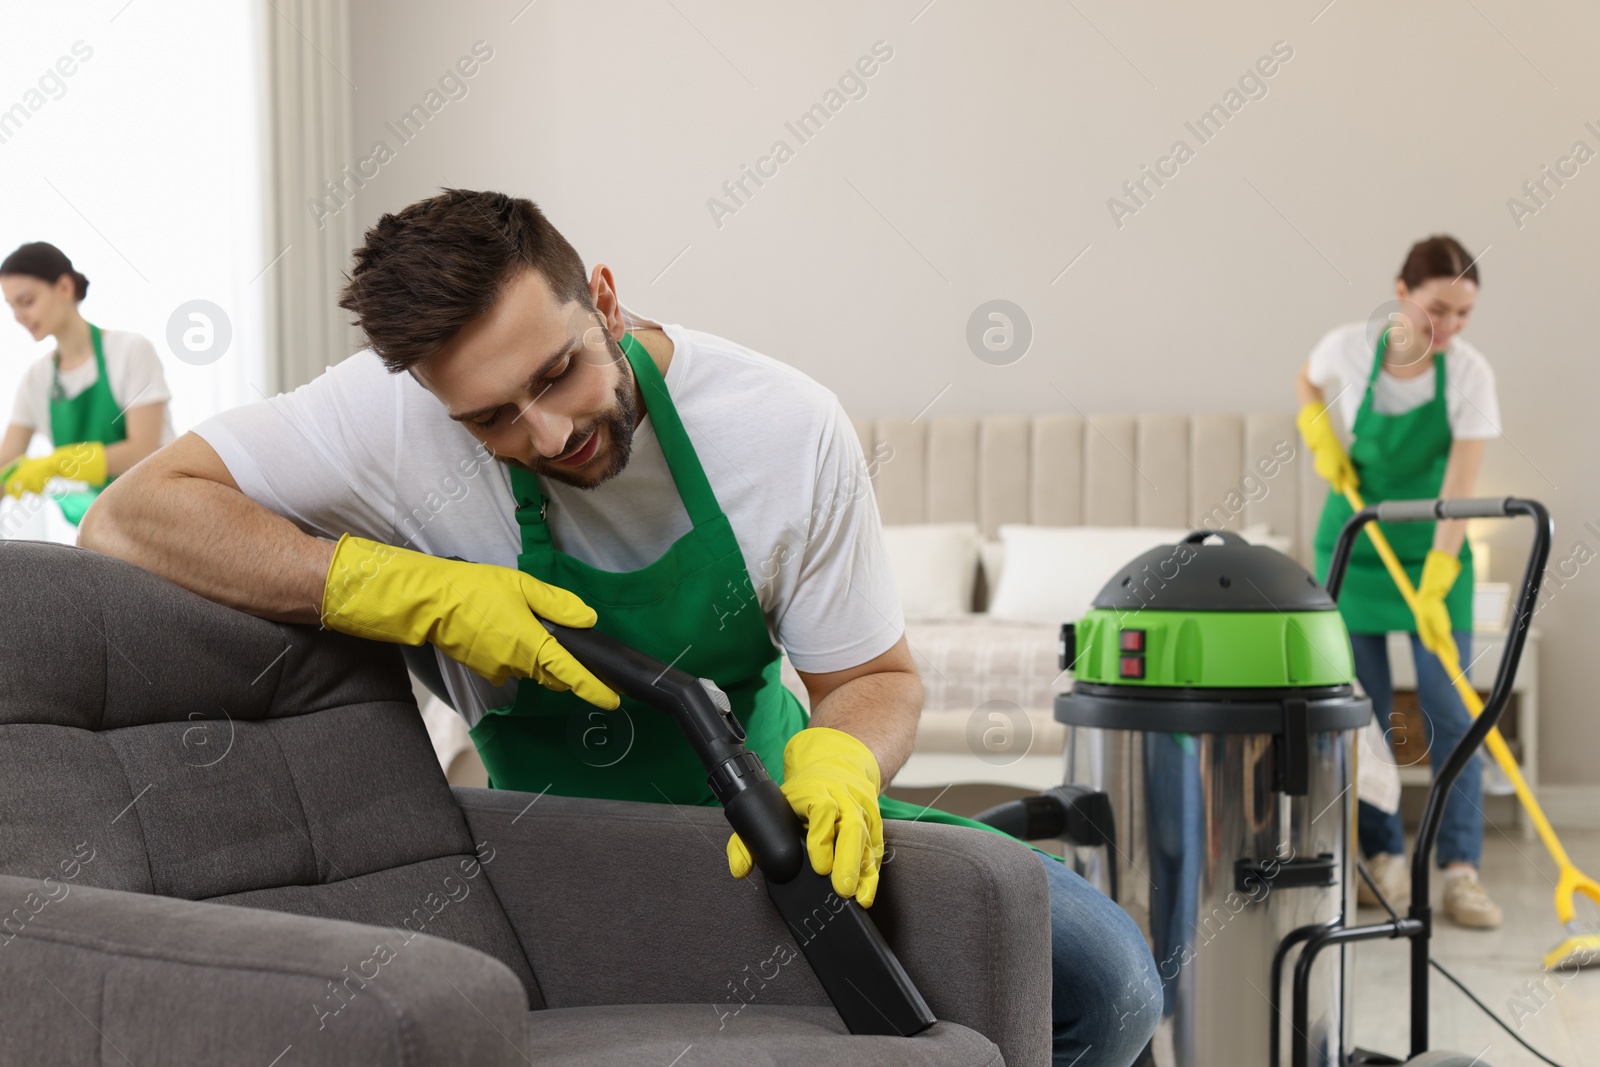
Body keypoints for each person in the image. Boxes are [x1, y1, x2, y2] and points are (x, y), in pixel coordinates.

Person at [81, 189, 1160, 1065]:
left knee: (1105, 981)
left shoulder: (781, 426)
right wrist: (412, 590)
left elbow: (874, 673)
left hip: (770, 816)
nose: (549, 432)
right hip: (558, 850)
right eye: (492, 417)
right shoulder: (384, 420)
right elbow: (128, 516)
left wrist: (839, 767)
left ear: (601, 296)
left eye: (559, 374)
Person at [1296, 234, 1502, 929]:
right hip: (1357, 544)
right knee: (1369, 716)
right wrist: (1319, 431)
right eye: (1438, 308)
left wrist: (1442, 575)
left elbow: (1461, 484)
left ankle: (1459, 871)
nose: (1447, 327)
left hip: (1433, 550)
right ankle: (1381, 857)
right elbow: (1307, 377)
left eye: (1463, 315)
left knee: (1453, 712)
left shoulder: (1470, 373)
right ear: (1402, 291)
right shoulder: (1352, 348)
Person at [0, 242, 175, 528]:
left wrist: (57, 463)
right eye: (11, 306)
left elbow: (143, 450)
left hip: (160, 515)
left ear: (65, 288)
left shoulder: (130, 351)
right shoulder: (37, 379)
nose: (19, 316)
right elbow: (5, 464)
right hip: (101, 527)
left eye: (27, 301)